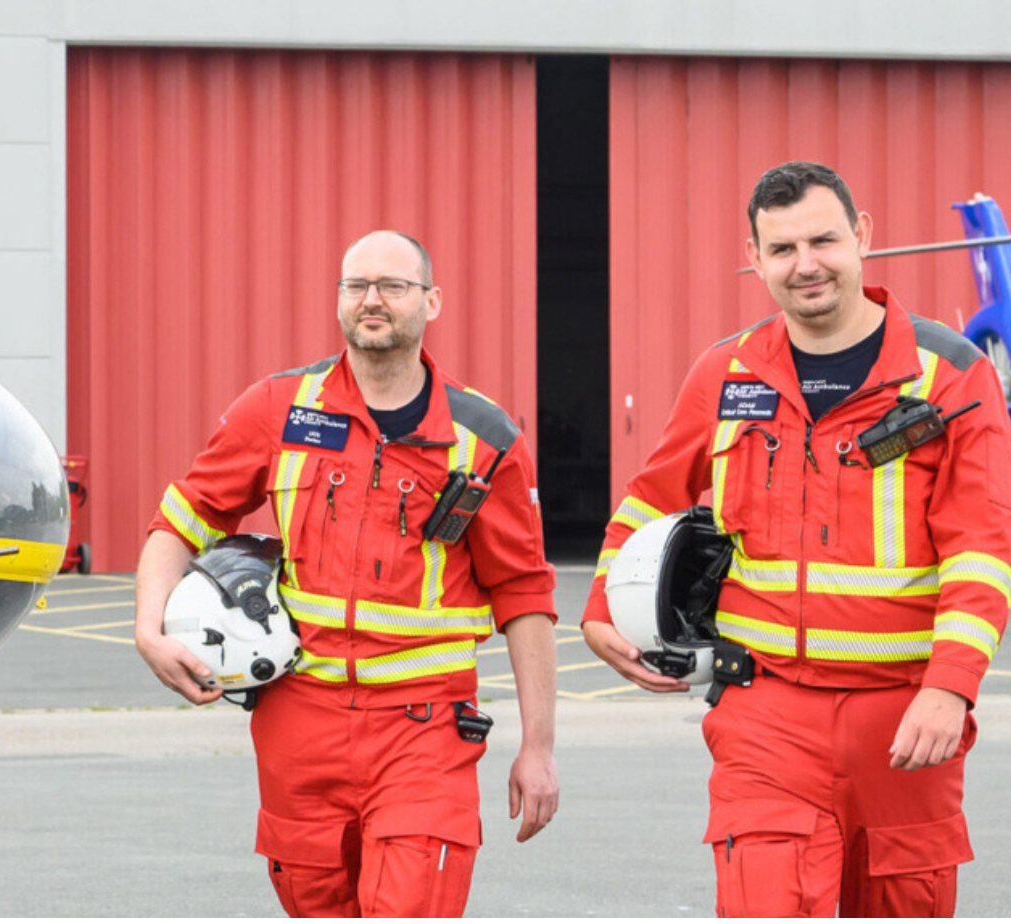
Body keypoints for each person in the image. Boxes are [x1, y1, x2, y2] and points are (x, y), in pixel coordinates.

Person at [584, 161, 1011, 917]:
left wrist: (950, 688)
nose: (805, 264)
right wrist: (597, 607)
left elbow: (983, 545)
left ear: (863, 238)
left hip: (905, 720)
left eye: (823, 240)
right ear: (753, 256)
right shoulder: (726, 371)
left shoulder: (951, 377)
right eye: (781, 249)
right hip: (766, 716)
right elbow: (651, 497)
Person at [134, 230, 560, 917]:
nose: (372, 300)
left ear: (432, 302)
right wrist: (148, 628)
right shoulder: (277, 410)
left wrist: (537, 747)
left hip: (425, 729)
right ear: (338, 299)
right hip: (300, 731)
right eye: (356, 285)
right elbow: (181, 519)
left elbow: (525, 595)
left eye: (393, 286)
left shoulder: (486, 438)